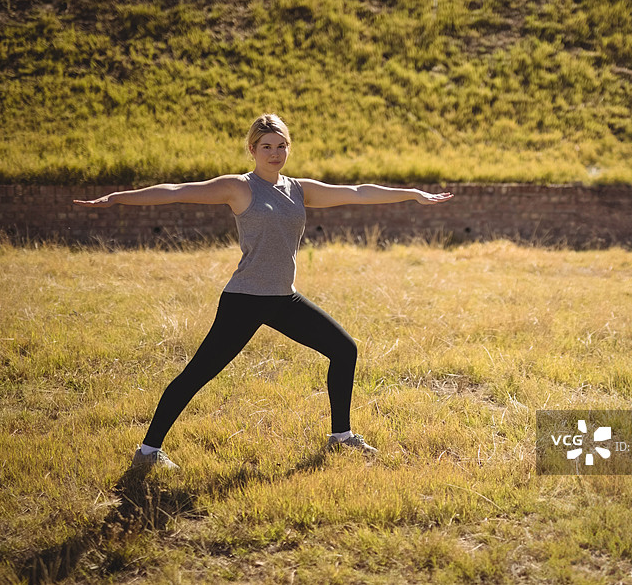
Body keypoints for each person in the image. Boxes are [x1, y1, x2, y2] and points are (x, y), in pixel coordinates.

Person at [74, 114, 453, 469]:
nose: (275, 153)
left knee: (344, 349)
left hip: (283, 298)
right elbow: (177, 191)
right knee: (198, 373)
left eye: (281, 146)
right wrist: (118, 197)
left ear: (288, 148)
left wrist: (411, 193)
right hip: (245, 300)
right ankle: (148, 450)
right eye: (267, 146)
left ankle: (341, 435)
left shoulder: (299, 190)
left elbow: (357, 191)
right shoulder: (239, 187)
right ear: (253, 150)